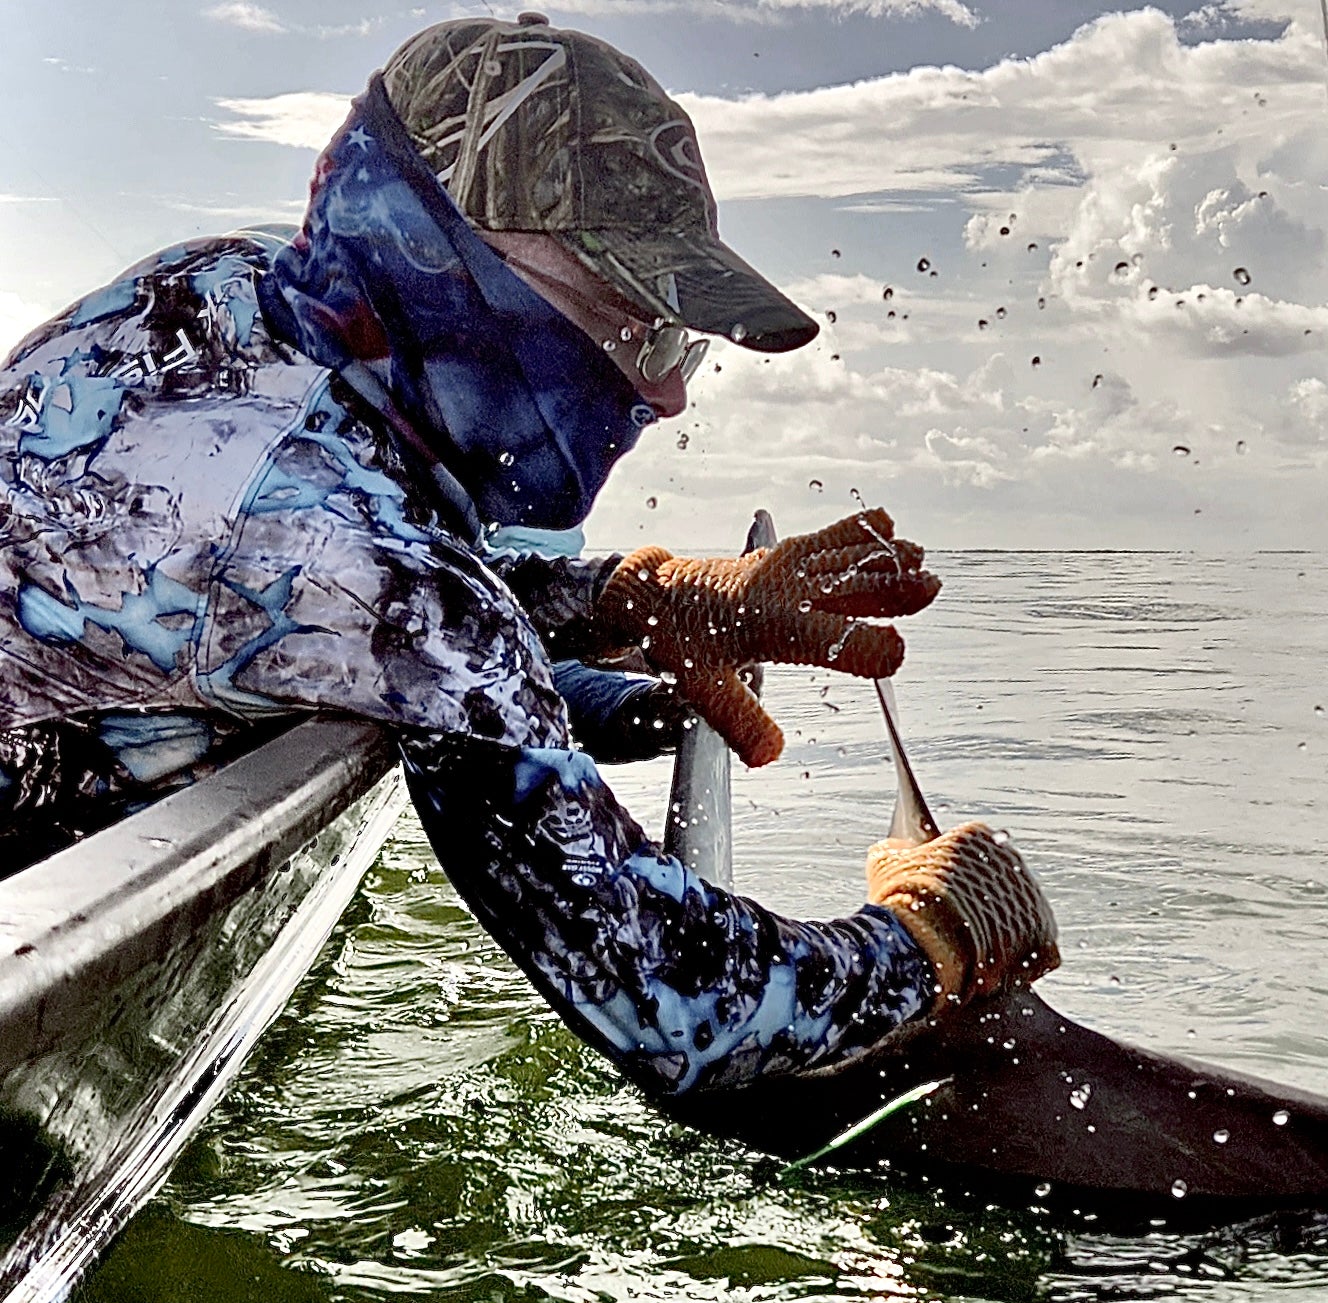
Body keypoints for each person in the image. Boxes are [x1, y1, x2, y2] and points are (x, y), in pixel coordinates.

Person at [0, 13, 1057, 1099]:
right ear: (449, 258)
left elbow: (341, 576)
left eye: (675, 340)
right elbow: (681, 1003)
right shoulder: (371, 574)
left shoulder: (215, 294)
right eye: (640, 325)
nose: (666, 389)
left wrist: (630, 601)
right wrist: (930, 935)